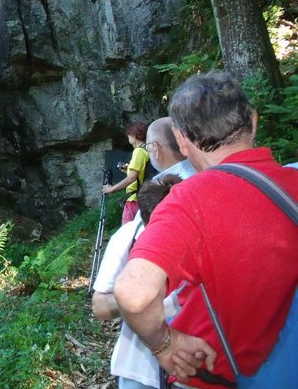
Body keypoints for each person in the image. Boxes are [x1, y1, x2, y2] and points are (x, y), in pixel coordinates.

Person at [114, 71, 298, 389]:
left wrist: (165, 344)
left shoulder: (189, 200)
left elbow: (133, 293)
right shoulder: (293, 182)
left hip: (217, 376)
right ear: (253, 121)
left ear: (182, 140)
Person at [92, 116, 194, 389]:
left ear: (155, 150)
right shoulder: (218, 189)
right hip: (208, 357)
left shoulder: (145, 218)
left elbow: (100, 306)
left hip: (145, 363)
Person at [103, 121, 150, 224]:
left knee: (127, 233)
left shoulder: (138, 151)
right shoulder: (146, 150)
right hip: (142, 198)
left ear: (134, 135)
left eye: (129, 135)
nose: (128, 137)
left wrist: (111, 189)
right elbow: (141, 173)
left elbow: (132, 178)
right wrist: (128, 169)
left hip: (134, 200)